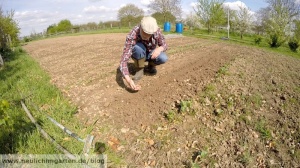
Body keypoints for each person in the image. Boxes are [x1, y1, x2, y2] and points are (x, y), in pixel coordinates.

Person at [119, 16, 168, 91]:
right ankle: (140, 69)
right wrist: (128, 80)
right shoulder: (133, 33)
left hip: (151, 53)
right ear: (141, 27)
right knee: (137, 48)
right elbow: (124, 59)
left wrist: (159, 49)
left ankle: (151, 66)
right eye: (144, 34)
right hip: (140, 53)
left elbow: (164, 45)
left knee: (163, 57)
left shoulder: (157, 30)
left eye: (149, 35)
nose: (147, 37)